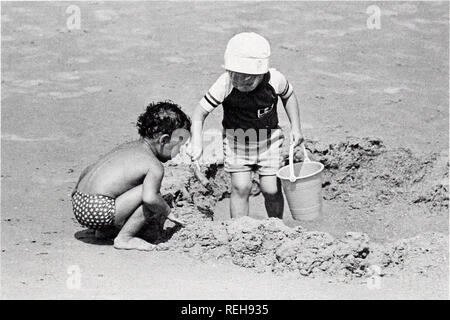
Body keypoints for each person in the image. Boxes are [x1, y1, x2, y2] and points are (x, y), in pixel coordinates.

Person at [188, 32, 304, 219]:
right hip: (237, 143)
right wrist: (197, 144)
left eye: (248, 80)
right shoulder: (224, 84)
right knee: (241, 187)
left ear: (261, 73)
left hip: (269, 141)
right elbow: (199, 113)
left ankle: (276, 227)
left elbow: (288, 95)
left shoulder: (274, 79)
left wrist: (296, 128)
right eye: (237, 77)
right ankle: (239, 231)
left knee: (271, 188)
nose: (241, 84)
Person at [71, 101, 191, 251]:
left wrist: (77, 192)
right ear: (164, 140)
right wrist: (168, 212)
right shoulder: (154, 166)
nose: (179, 151)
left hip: (79, 200)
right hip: (98, 210)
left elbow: (88, 169)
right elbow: (149, 198)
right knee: (152, 195)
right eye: (178, 146)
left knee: (131, 187)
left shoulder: (127, 147)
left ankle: (105, 231)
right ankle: (125, 238)